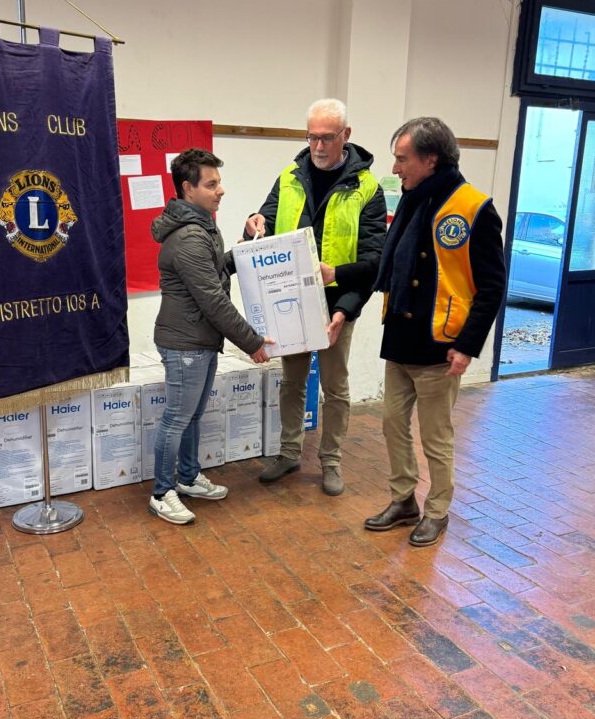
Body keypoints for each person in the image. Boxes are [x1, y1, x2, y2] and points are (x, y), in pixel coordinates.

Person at [365, 117, 506, 546]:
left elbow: (492, 286)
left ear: (430, 159)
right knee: (392, 424)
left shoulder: (474, 208)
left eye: (402, 159)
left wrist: (467, 346)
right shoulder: (412, 200)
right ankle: (403, 500)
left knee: (436, 437)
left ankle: (437, 511)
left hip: (441, 346)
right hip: (401, 340)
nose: (395, 169)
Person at [246, 99, 386, 496]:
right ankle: (290, 452)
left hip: (336, 304)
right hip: (290, 301)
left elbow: (375, 260)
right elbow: (266, 221)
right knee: (291, 383)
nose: (318, 146)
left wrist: (343, 307)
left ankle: (331, 461)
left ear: (346, 135)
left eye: (327, 138)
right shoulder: (290, 175)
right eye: (312, 137)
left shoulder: (368, 189)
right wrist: (253, 222)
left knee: (335, 388)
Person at [150, 149, 273, 525]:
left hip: (198, 340)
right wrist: (252, 342)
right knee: (177, 418)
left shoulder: (201, 226)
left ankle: (187, 478)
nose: (221, 190)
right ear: (188, 188)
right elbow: (214, 301)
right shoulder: (189, 237)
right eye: (211, 184)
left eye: (219, 182)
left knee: (191, 416)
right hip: (185, 343)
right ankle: (161, 493)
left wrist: (246, 240)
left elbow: (217, 270)